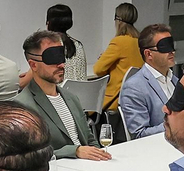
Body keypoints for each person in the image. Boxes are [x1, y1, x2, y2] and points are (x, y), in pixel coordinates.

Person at [14, 30, 111, 160]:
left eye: (61, 57)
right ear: (33, 65)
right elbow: (29, 155)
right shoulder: (23, 106)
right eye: (52, 58)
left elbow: (89, 139)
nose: (61, 64)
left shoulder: (71, 98)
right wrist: (74, 151)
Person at [118, 23, 178, 138]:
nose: (172, 52)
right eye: (164, 47)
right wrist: (176, 125)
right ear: (148, 54)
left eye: (172, 45)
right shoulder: (134, 87)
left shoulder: (175, 81)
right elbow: (139, 134)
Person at [91, 2, 143, 110]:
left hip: (114, 99)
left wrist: (105, 60)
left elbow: (97, 70)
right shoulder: (140, 42)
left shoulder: (119, 42)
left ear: (118, 19)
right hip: (134, 98)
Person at [46, 3, 88, 82]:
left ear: (49, 23)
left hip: (61, 93)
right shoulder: (78, 45)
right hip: (79, 92)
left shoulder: (48, 46)